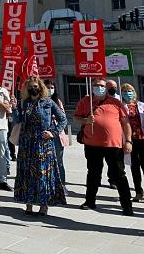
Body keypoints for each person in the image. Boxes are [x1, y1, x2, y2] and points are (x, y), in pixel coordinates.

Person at [73, 77, 133, 215]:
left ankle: (126, 205)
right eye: (95, 85)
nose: (98, 87)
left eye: (101, 85)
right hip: (92, 144)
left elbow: (125, 123)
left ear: (106, 88)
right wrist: (85, 120)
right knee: (93, 173)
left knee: (119, 175)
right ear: (91, 87)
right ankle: (90, 201)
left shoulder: (116, 103)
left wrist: (128, 141)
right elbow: (76, 117)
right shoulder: (85, 101)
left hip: (113, 145)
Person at [13, 77, 67, 216]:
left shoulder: (48, 103)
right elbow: (18, 120)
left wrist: (53, 132)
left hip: (43, 143)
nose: (33, 88)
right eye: (30, 86)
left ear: (41, 87)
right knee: (27, 174)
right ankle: (29, 203)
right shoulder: (24, 103)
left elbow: (63, 119)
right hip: (27, 143)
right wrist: (14, 108)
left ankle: (44, 205)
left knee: (43, 174)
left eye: (36, 86)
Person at [121, 83, 144, 202]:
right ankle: (138, 192)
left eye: (129, 91)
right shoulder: (121, 107)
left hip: (142, 139)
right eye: (124, 92)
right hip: (130, 140)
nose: (127, 93)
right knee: (135, 167)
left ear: (134, 92)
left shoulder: (141, 106)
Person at [44, 79, 68, 193]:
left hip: (57, 136)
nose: (50, 89)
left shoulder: (57, 101)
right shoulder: (40, 101)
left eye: (52, 87)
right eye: (47, 87)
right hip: (44, 136)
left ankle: (62, 185)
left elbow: (63, 118)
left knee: (59, 161)